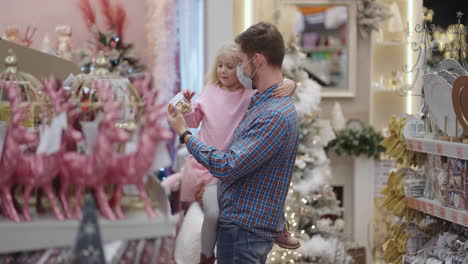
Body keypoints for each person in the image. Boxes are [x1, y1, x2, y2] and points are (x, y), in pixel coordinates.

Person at [167, 22, 299, 264]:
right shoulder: (261, 99)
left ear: (256, 61)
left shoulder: (271, 113)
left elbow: (228, 165)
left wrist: (185, 135)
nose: (234, 70)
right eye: (223, 65)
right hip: (238, 223)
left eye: (239, 62)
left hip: (243, 232)